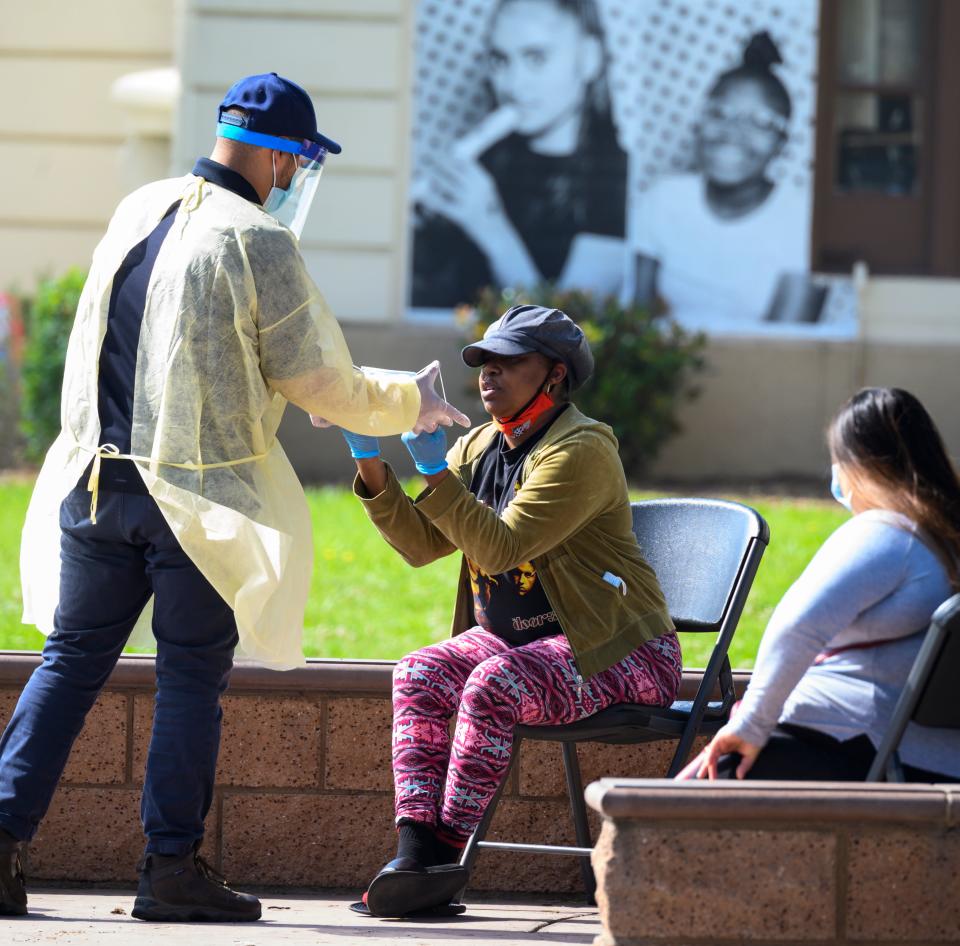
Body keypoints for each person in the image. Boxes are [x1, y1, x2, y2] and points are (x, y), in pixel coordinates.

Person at [0, 72, 468, 922]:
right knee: (189, 679)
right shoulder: (258, 240)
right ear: (284, 153)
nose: (293, 182)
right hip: (193, 500)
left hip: (92, 486)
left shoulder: (137, 207)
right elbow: (319, 378)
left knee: (69, 666)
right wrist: (414, 402)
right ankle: (170, 870)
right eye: (297, 164)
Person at [340, 305, 682, 917]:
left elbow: (501, 548)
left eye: (509, 362)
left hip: (620, 650)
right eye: (484, 361)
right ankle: (414, 851)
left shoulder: (581, 449)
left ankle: (441, 860)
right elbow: (422, 546)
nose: (488, 373)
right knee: (418, 671)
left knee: (495, 683)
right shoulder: (480, 445)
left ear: (554, 376)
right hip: (517, 644)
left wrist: (433, 470)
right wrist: (370, 461)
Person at [683, 388, 960, 783]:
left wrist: (751, 725)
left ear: (857, 466)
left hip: (856, 739)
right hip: (921, 755)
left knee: (693, 794)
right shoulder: (944, 544)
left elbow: (797, 626)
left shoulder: (887, 533)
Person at [411, 0, 627, 309]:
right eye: (501, 60)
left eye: (536, 58)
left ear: (590, 59)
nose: (512, 84)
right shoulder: (487, 162)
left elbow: (567, 328)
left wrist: (488, 225)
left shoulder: (617, 177)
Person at [626, 31, 811, 329]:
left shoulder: (802, 222)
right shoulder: (664, 199)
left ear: (782, 142)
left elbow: (788, 348)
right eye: (720, 113)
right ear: (699, 122)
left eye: (760, 122)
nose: (733, 133)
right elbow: (637, 327)